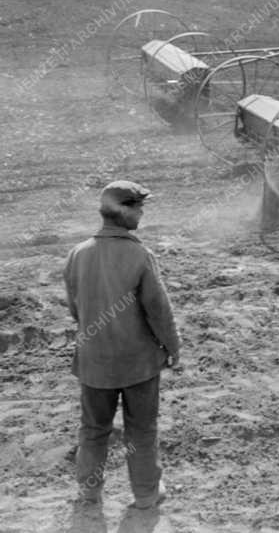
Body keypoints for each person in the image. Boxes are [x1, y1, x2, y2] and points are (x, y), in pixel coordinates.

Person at [64, 180, 180, 509]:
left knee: (93, 429)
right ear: (123, 211)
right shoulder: (140, 255)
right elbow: (158, 310)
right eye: (138, 207)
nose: (142, 214)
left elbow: (76, 309)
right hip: (137, 365)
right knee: (141, 430)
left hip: (94, 362)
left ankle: (88, 493)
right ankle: (145, 494)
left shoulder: (78, 254)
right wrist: (173, 347)